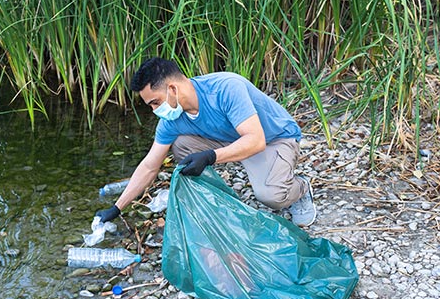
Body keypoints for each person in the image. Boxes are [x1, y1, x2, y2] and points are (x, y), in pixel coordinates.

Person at [96, 57, 316, 227]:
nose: (155, 111)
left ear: (172, 89)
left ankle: (302, 189)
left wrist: (211, 156)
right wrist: (117, 208)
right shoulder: (171, 120)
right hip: (234, 141)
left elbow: (256, 140)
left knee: (271, 196)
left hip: (274, 140)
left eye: (155, 102)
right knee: (181, 145)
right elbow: (150, 165)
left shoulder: (225, 88)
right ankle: (210, 198)